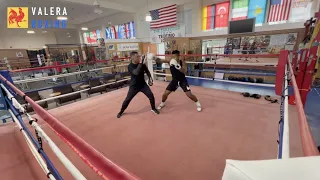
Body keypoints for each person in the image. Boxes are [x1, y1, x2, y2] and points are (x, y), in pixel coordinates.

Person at [117, 51, 160, 118]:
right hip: (134, 86)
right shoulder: (130, 66)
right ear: (132, 58)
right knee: (128, 99)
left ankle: (153, 108)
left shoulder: (142, 64)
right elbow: (136, 72)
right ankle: (121, 111)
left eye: (139, 56)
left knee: (151, 95)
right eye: (137, 57)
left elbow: (147, 71)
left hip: (143, 85)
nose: (139, 58)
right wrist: (141, 63)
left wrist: (150, 78)